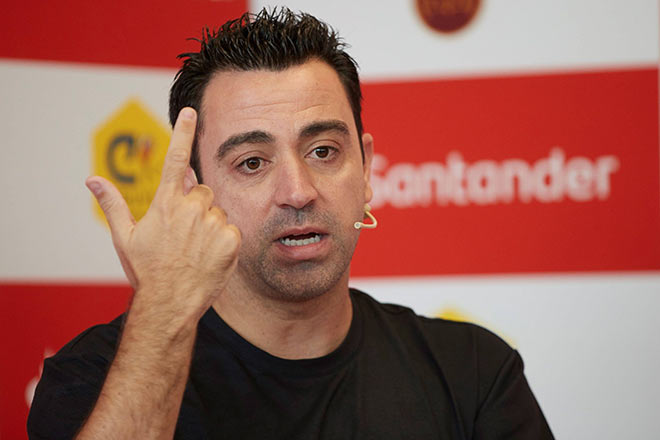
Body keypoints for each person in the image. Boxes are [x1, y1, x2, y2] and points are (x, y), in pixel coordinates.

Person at [28, 8, 554, 439]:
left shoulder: (473, 372)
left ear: (366, 170)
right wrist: (163, 309)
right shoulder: (93, 379)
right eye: (252, 162)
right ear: (193, 192)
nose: (298, 191)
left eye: (323, 151)